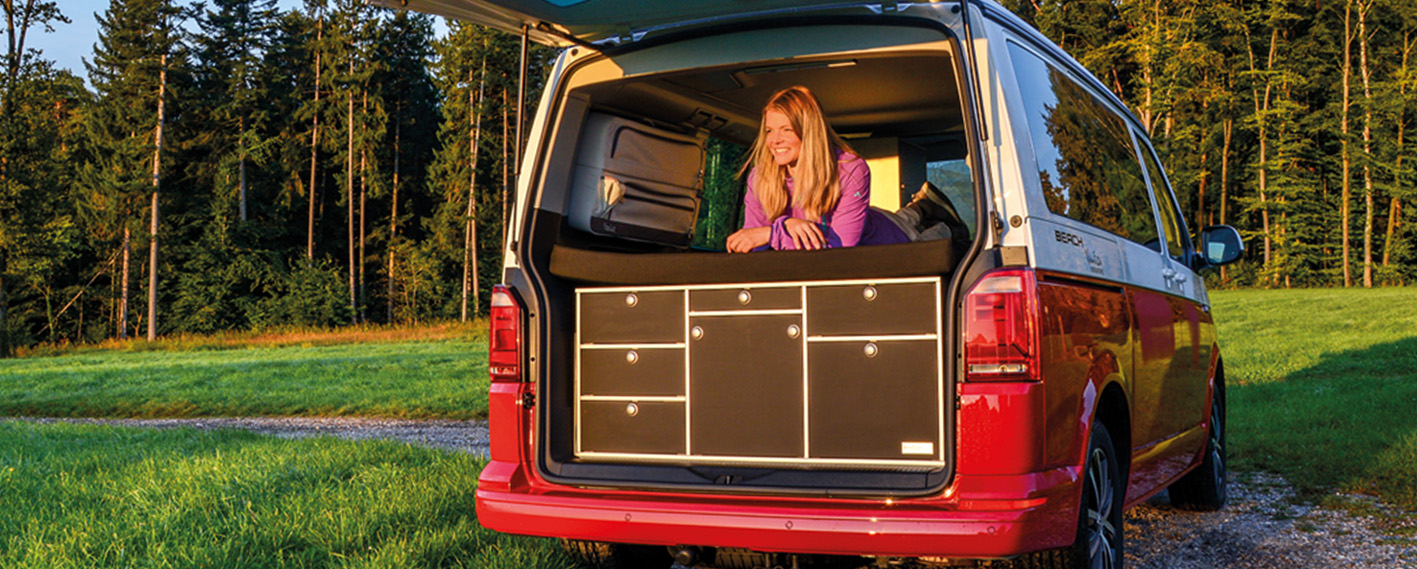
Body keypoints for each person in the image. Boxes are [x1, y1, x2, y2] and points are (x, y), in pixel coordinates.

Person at [726, 86, 911, 253]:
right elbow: (752, 242)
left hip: (891, 242)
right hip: (850, 230)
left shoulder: (850, 170)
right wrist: (787, 226)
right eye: (769, 131)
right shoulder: (761, 177)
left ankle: (924, 207)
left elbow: (838, 252)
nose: (775, 140)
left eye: (786, 130)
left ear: (809, 132)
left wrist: (776, 232)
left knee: (928, 230)